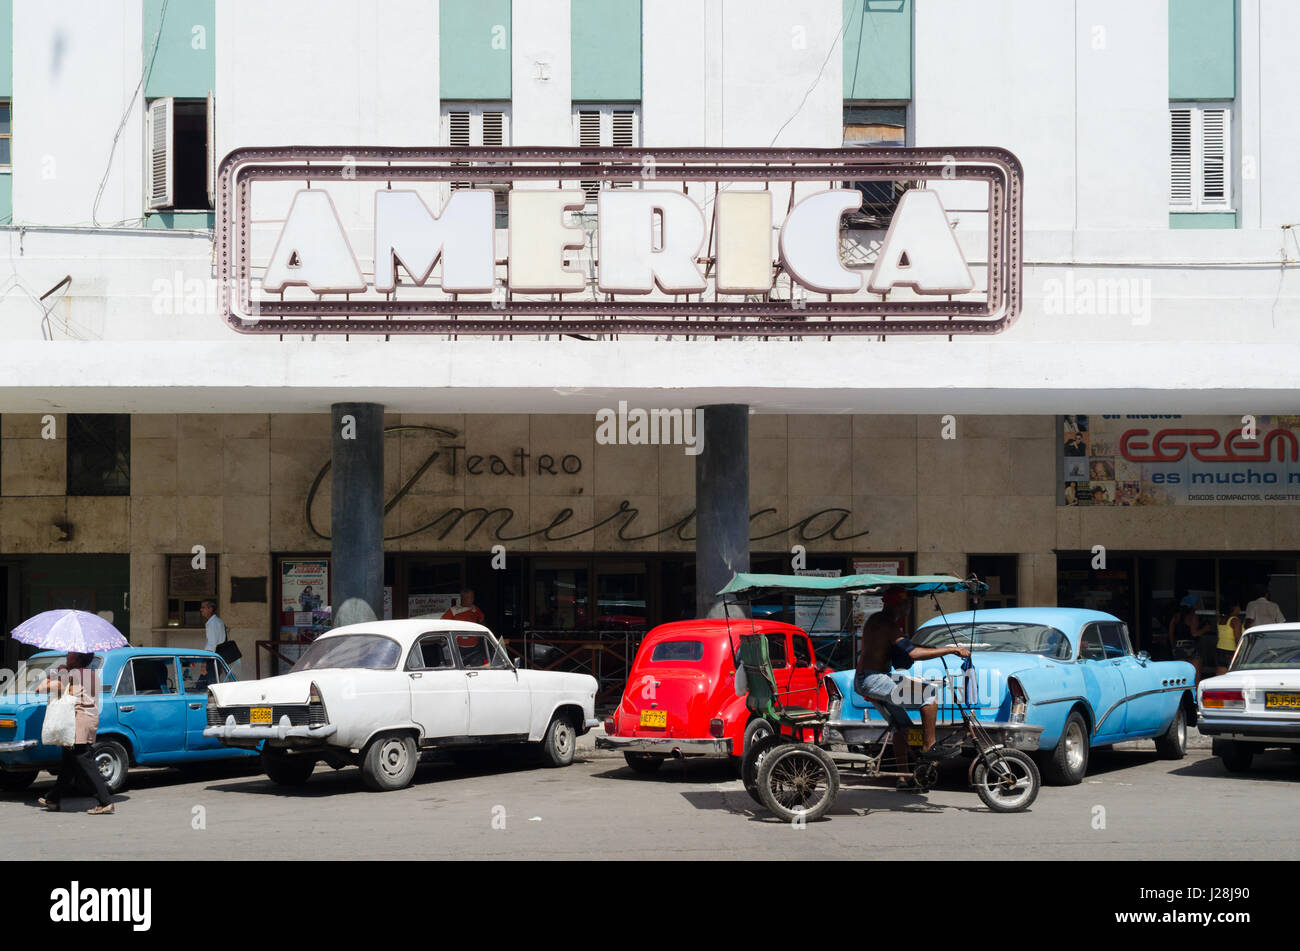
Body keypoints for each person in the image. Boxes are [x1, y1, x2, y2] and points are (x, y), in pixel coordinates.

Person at [853, 588, 970, 790]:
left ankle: (903, 776)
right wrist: (952, 649)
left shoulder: (878, 620)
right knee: (929, 694)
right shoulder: (887, 624)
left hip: (869, 678)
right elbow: (914, 653)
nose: (908, 607)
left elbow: (907, 646)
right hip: (873, 679)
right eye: (905, 603)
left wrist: (935, 649)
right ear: (897, 605)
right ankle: (929, 747)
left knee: (901, 726)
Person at [34, 652, 115, 815]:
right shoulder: (91, 674)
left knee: (82, 758)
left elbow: (41, 689)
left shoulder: (72, 675)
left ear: (77, 658)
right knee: (68, 762)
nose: (67, 655)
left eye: (70, 654)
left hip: (78, 720)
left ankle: (105, 801)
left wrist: (59, 671)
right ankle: (53, 799)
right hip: (89, 718)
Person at [1169, 595, 1210, 680]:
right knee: (1195, 675)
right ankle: (1195, 692)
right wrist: (1205, 629)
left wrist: (1174, 645)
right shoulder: (1193, 615)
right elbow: (1194, 633)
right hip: (1191, 646)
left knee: (1181, 676)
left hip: (1178, 647)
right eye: (1197, 603)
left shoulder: (1176, 616)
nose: (1199, 605)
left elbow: (1170, 633)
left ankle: (1182, 693)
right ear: (1193, 605)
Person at [1216, 603, 1243, 676]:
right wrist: (1241, 652)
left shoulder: (1222, 619)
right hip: (1231, 651)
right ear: (1233, 608)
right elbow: (1237, 638)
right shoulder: (1235, 620)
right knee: (1233, 675)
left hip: (1220, 649)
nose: (1239, 609)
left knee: (1220, 675)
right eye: (1238, 607)